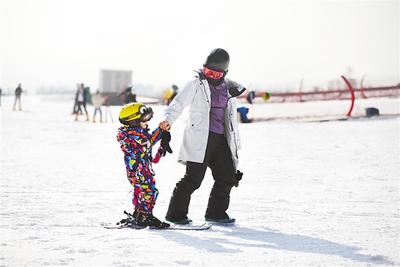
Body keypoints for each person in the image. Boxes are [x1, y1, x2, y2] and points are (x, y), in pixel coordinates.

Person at [159, 48, 246, 224]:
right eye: (208, 72)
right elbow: (179, 102)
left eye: (216, 73)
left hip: (222, 138)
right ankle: (175, 214)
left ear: (224, 72)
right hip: (201, 138)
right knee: (193, 179)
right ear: (204, 68)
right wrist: (168, 120)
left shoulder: (229, 88)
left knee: (227, 176)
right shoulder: (196, 83)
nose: (212, 76)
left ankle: (216, 213)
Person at [117, 102, 172, 228]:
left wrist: (161, 132)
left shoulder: (130, 134)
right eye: (145, 119)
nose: (147, 121)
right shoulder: (134, 136)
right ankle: (144, 217)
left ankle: (139, 214)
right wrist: (160, 130)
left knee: (141, 191)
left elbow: (148, 141)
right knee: (150, 192)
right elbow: (149, 141)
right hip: (140, 170)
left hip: (136, 170)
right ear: (134, 122)